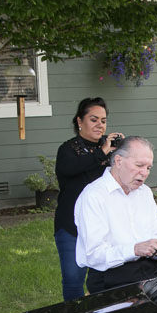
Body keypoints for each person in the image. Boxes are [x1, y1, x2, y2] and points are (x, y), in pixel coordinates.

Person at [74, 136, 157, 294]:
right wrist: (135, 249)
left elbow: (154, 241)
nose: (144, 173)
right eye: (139, 165)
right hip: (110, 280)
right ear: (118, 161)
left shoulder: (144, 192)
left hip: (150, 273)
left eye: (149, 168)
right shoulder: (94, 195)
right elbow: (94, 255)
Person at [54, 97, 124, 301]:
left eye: (103, 120)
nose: (99, 125)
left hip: (104, 224)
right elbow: (72, 169)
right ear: (79, 121)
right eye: (93, 119)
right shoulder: (68, 149)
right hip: (71, 227)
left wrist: (121, 151)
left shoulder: (111, 149)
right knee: (73, 279)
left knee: (105, 278)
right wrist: (101, 153)